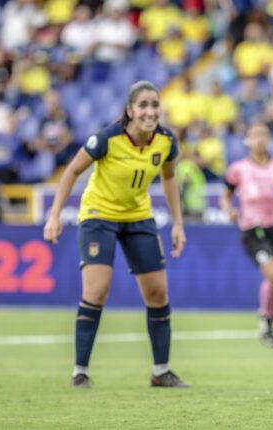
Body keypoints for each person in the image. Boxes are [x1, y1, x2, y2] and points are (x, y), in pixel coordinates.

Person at [43, 80, 188, 389]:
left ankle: (161, 371)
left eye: (154, 105)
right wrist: (54, 214)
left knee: (158, 294)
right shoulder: (107, 138)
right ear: (130, 110)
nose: (150, 111)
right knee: (96, 292)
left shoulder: (166, 141)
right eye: (143, 105)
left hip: (138, 218)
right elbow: (71, 171)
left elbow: (170, 177)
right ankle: (80, 370)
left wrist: (178, 223)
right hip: (99, 217)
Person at [220, 123, 273, 348]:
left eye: (264, 135)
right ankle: (264, 316)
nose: (260, 140)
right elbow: (225, 195)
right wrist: (229, 210)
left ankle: (269, 327)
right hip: (253, 230)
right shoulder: (239, 168)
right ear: (247, 140)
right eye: (255, 135)